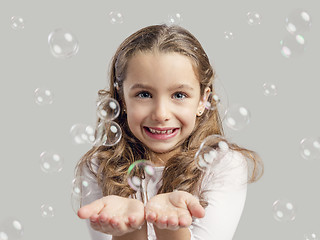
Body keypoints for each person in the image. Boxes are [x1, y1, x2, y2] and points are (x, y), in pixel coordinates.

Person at [74, 24, 264, 240]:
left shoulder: (222, 164)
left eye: (179, 95)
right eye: (144, 94)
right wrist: (129, 230)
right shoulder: (98, 167)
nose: (161, 114)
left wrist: (171, 230)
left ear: (203, 100)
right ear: (122, 100)